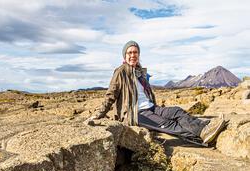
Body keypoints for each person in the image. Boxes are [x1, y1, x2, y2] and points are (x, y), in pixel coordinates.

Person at [86, 40, 226, 146]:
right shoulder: (120, 71)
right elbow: (110, 95)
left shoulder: (140, 72)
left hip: (151, 107)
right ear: (125, 55)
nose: (133, 55)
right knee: (168, 124)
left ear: (138, 54)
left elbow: (147, 94)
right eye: (130, 53)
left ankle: (204, 128)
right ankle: (202, 138)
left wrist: (155, 108)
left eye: (135, 52)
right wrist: (96, 116)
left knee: (177, 111)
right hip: (136, 114)